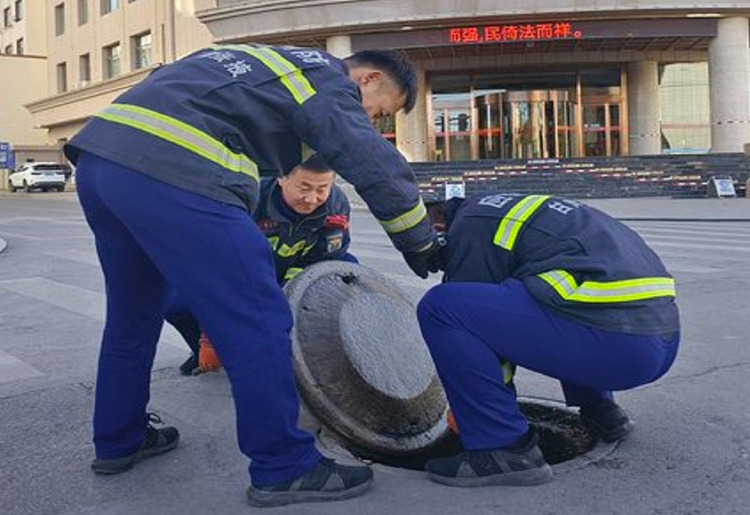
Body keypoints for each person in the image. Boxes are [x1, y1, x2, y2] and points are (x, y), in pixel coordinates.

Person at [64, 44, 445, 507]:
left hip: (101, 164)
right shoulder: (324, 76)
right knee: (259, 322)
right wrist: (420, 239)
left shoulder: (257, 61)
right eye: (378, 109)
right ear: (366, 79)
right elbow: (369, 158)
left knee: (132, 320)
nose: (369, 119)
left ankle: (118, 439)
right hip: (176, 171)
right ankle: (284, 466)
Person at [417, 193, 680, 487]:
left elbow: (479, 332)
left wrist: (475, 412)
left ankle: (503, 449)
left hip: (619, 349)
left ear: (438, 227)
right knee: (556, 293)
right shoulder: (507, 209)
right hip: (661, 338)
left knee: (442, 308)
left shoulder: (470, 228)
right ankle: (602, 410)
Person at [167, 153, 358, 375]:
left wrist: (289, 291)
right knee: (175, 302)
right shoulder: (249, 198)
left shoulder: (336, 205)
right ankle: (215, 348)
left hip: (295, 271)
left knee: (348, 273)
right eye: (304, 188)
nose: (311, 198)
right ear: (281, 178)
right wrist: (209, 334)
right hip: (240, 272)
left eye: (321, 189)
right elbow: (217, 260)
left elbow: (325, 257)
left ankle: (313, 359)